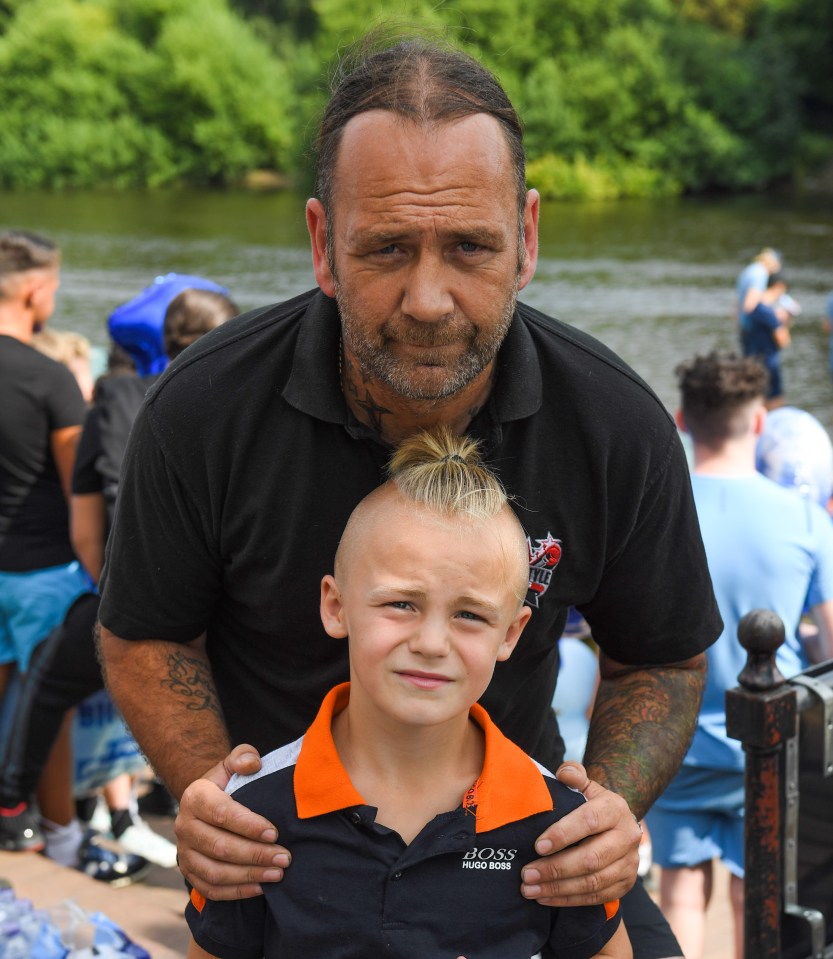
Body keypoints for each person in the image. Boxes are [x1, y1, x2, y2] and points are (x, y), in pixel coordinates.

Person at [97, 36, 722, 959]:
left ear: (528, 238)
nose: (428, 298)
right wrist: (216, 803)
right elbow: (145, 630)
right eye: (386, 247)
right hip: (282, 848)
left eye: (470, 246)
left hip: (516, 845)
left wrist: (606, 813)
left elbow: (662, 658)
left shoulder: (613, 423)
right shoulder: (202, 406)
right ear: (321, 242)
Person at [186, 428, 631, 959]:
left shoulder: (560, 827)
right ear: (335, 606)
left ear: (510, 633)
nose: (430, 643)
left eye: (470, 615)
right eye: (401, 603)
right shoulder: (252, 817)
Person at [0, 284, 237, 874]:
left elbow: (86, 530)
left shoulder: (113, 397)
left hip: (135, 593)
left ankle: (13, 804)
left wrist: (120, 592)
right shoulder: (243, 397)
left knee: (49, 683)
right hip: (231, 604)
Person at [645, 351, 833, 959]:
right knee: (758, 897)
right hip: (774, 746)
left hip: (675, 741)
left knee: (679, 895)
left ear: (681, 419)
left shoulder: (655, 513)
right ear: (758, 425)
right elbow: (830, 647)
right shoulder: (806, 519)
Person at [0, 230, 90, 851]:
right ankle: (59, 833)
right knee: (46, 712)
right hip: (42, 575)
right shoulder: (49, 379)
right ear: (36, 290)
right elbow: (78, 488)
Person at [740, 271, 796, 407]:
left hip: (753, 360)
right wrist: (786, 321)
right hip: (769, 362)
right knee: (776, 400)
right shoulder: (769, 312)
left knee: (755, 399)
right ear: (779, 286)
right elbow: (784, 340)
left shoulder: (755, 309)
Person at [735, 247, 782, 339]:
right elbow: (749, 304)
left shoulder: (750, 269)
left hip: (743, 323)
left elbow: (738, 302)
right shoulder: (760, 273)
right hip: (752, 327)